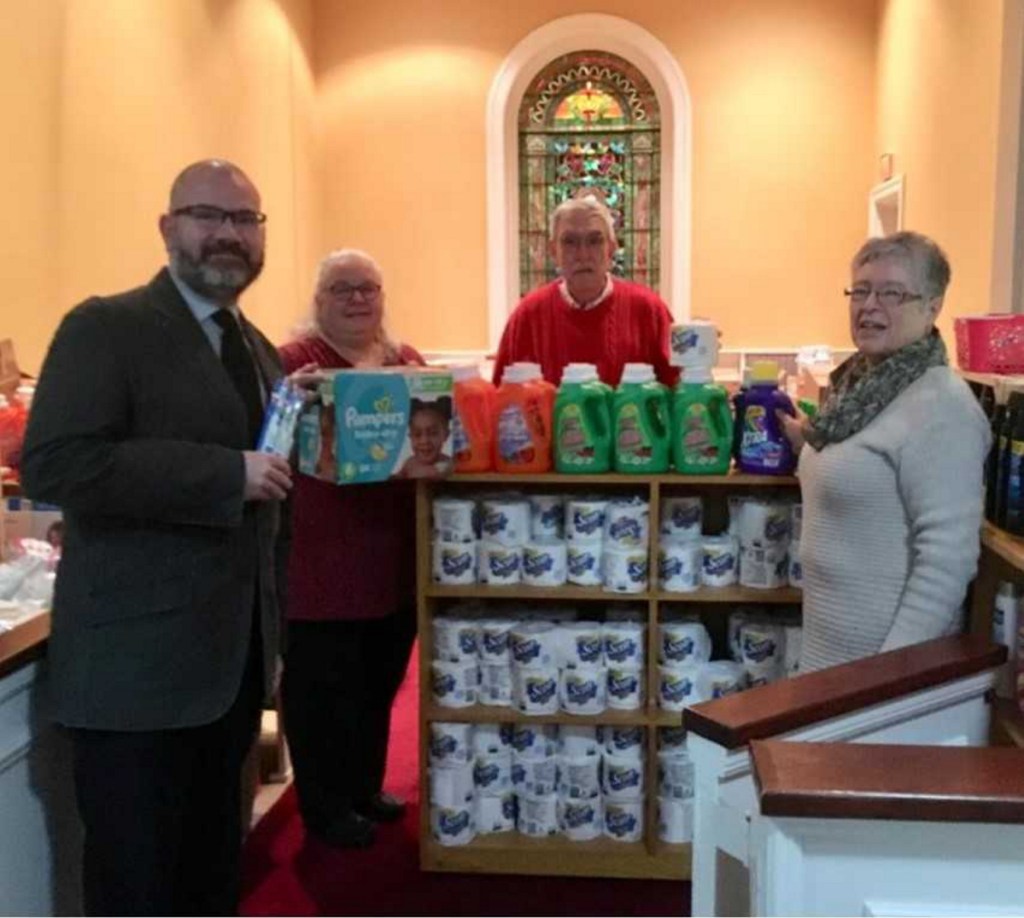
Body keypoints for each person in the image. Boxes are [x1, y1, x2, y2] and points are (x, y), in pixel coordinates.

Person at [20, 159, 292, 915]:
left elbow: (270, 509)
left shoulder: (259, 351)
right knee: (136, 887)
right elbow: (56, 462)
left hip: (230, 675)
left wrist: (275, 643)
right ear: (169, 227)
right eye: (210, 215)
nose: (228, 235)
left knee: (209, 878)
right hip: (134, 680)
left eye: (245, 220)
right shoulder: (106, 327)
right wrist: (221, 475)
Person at [778, 231, 990, 672]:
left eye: (892, 293)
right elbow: (859, 464)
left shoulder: (942, 406)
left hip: (885, 668)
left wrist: (890, 672)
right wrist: (804, 442)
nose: (870, 305)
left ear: (932, 307)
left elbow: (947, 561)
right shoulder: (856, 389)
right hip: (828, 654)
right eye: (861, 290)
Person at [279, 249, 422, 849]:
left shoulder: (406, 362)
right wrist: (289, 399)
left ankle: (364, 787)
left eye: (368, 288)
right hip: (321, 558)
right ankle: (325, 804)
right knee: (321, 691)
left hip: (393, 554)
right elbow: (265, 438)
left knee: (378, 681)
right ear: (319, 301)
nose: (358, 299)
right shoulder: (294, 363)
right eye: (342, 288)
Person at [492, 194, 678, 387]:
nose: (583, 254)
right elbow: (500, 402)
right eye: (570, 242)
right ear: (553, 251)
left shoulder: (649, 310)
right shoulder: (527, 316)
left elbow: (679, 393)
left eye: (595, 241)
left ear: (611, 249)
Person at [397, 397, 452, 479]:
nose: (424, 441)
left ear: (446, 435)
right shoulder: (410, 463)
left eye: (433, 433)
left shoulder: (447, 464)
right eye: (417, 434)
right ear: (410, 436)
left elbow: (441, 471)